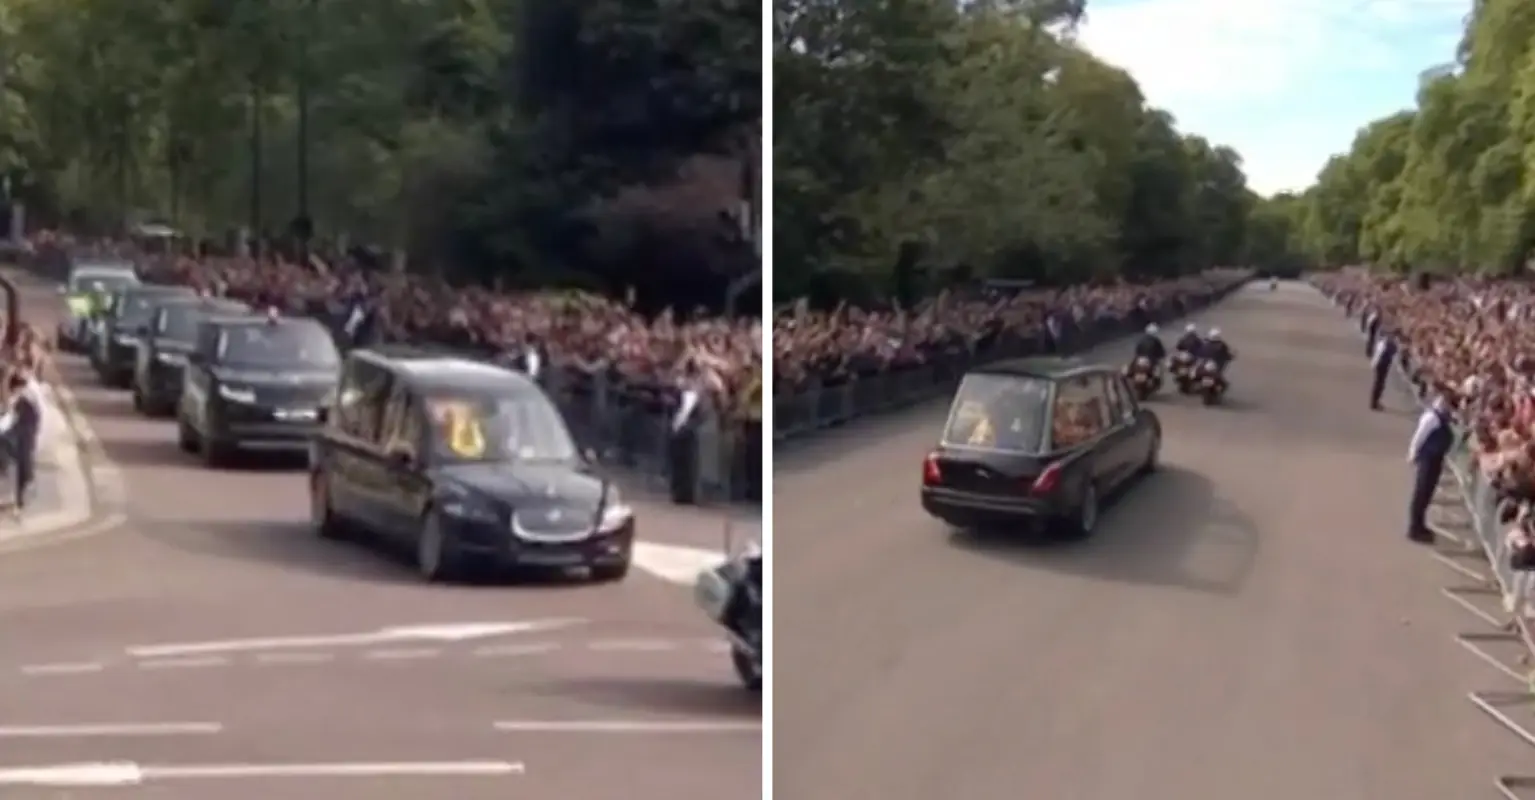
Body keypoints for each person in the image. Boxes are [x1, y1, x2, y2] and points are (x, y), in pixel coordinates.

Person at [1406, 394, 1455, 544]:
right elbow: (1419, 436)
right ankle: (1414, 528)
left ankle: (1420, 524)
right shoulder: (1432, 418)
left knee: (1427, 493)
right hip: (1428, 458)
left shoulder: (1442, 417)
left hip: (1435, 458)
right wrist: (1413, 453)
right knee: (1421, 492)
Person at [1369, 331, 1398, 411]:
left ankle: (1375, 402)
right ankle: (1375, 403)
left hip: (1379, 364)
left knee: (1378, 383)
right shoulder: (1389, 344)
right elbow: (1394, 351)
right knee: (1379, 384)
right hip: (1382, 365)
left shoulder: (1383, 342)